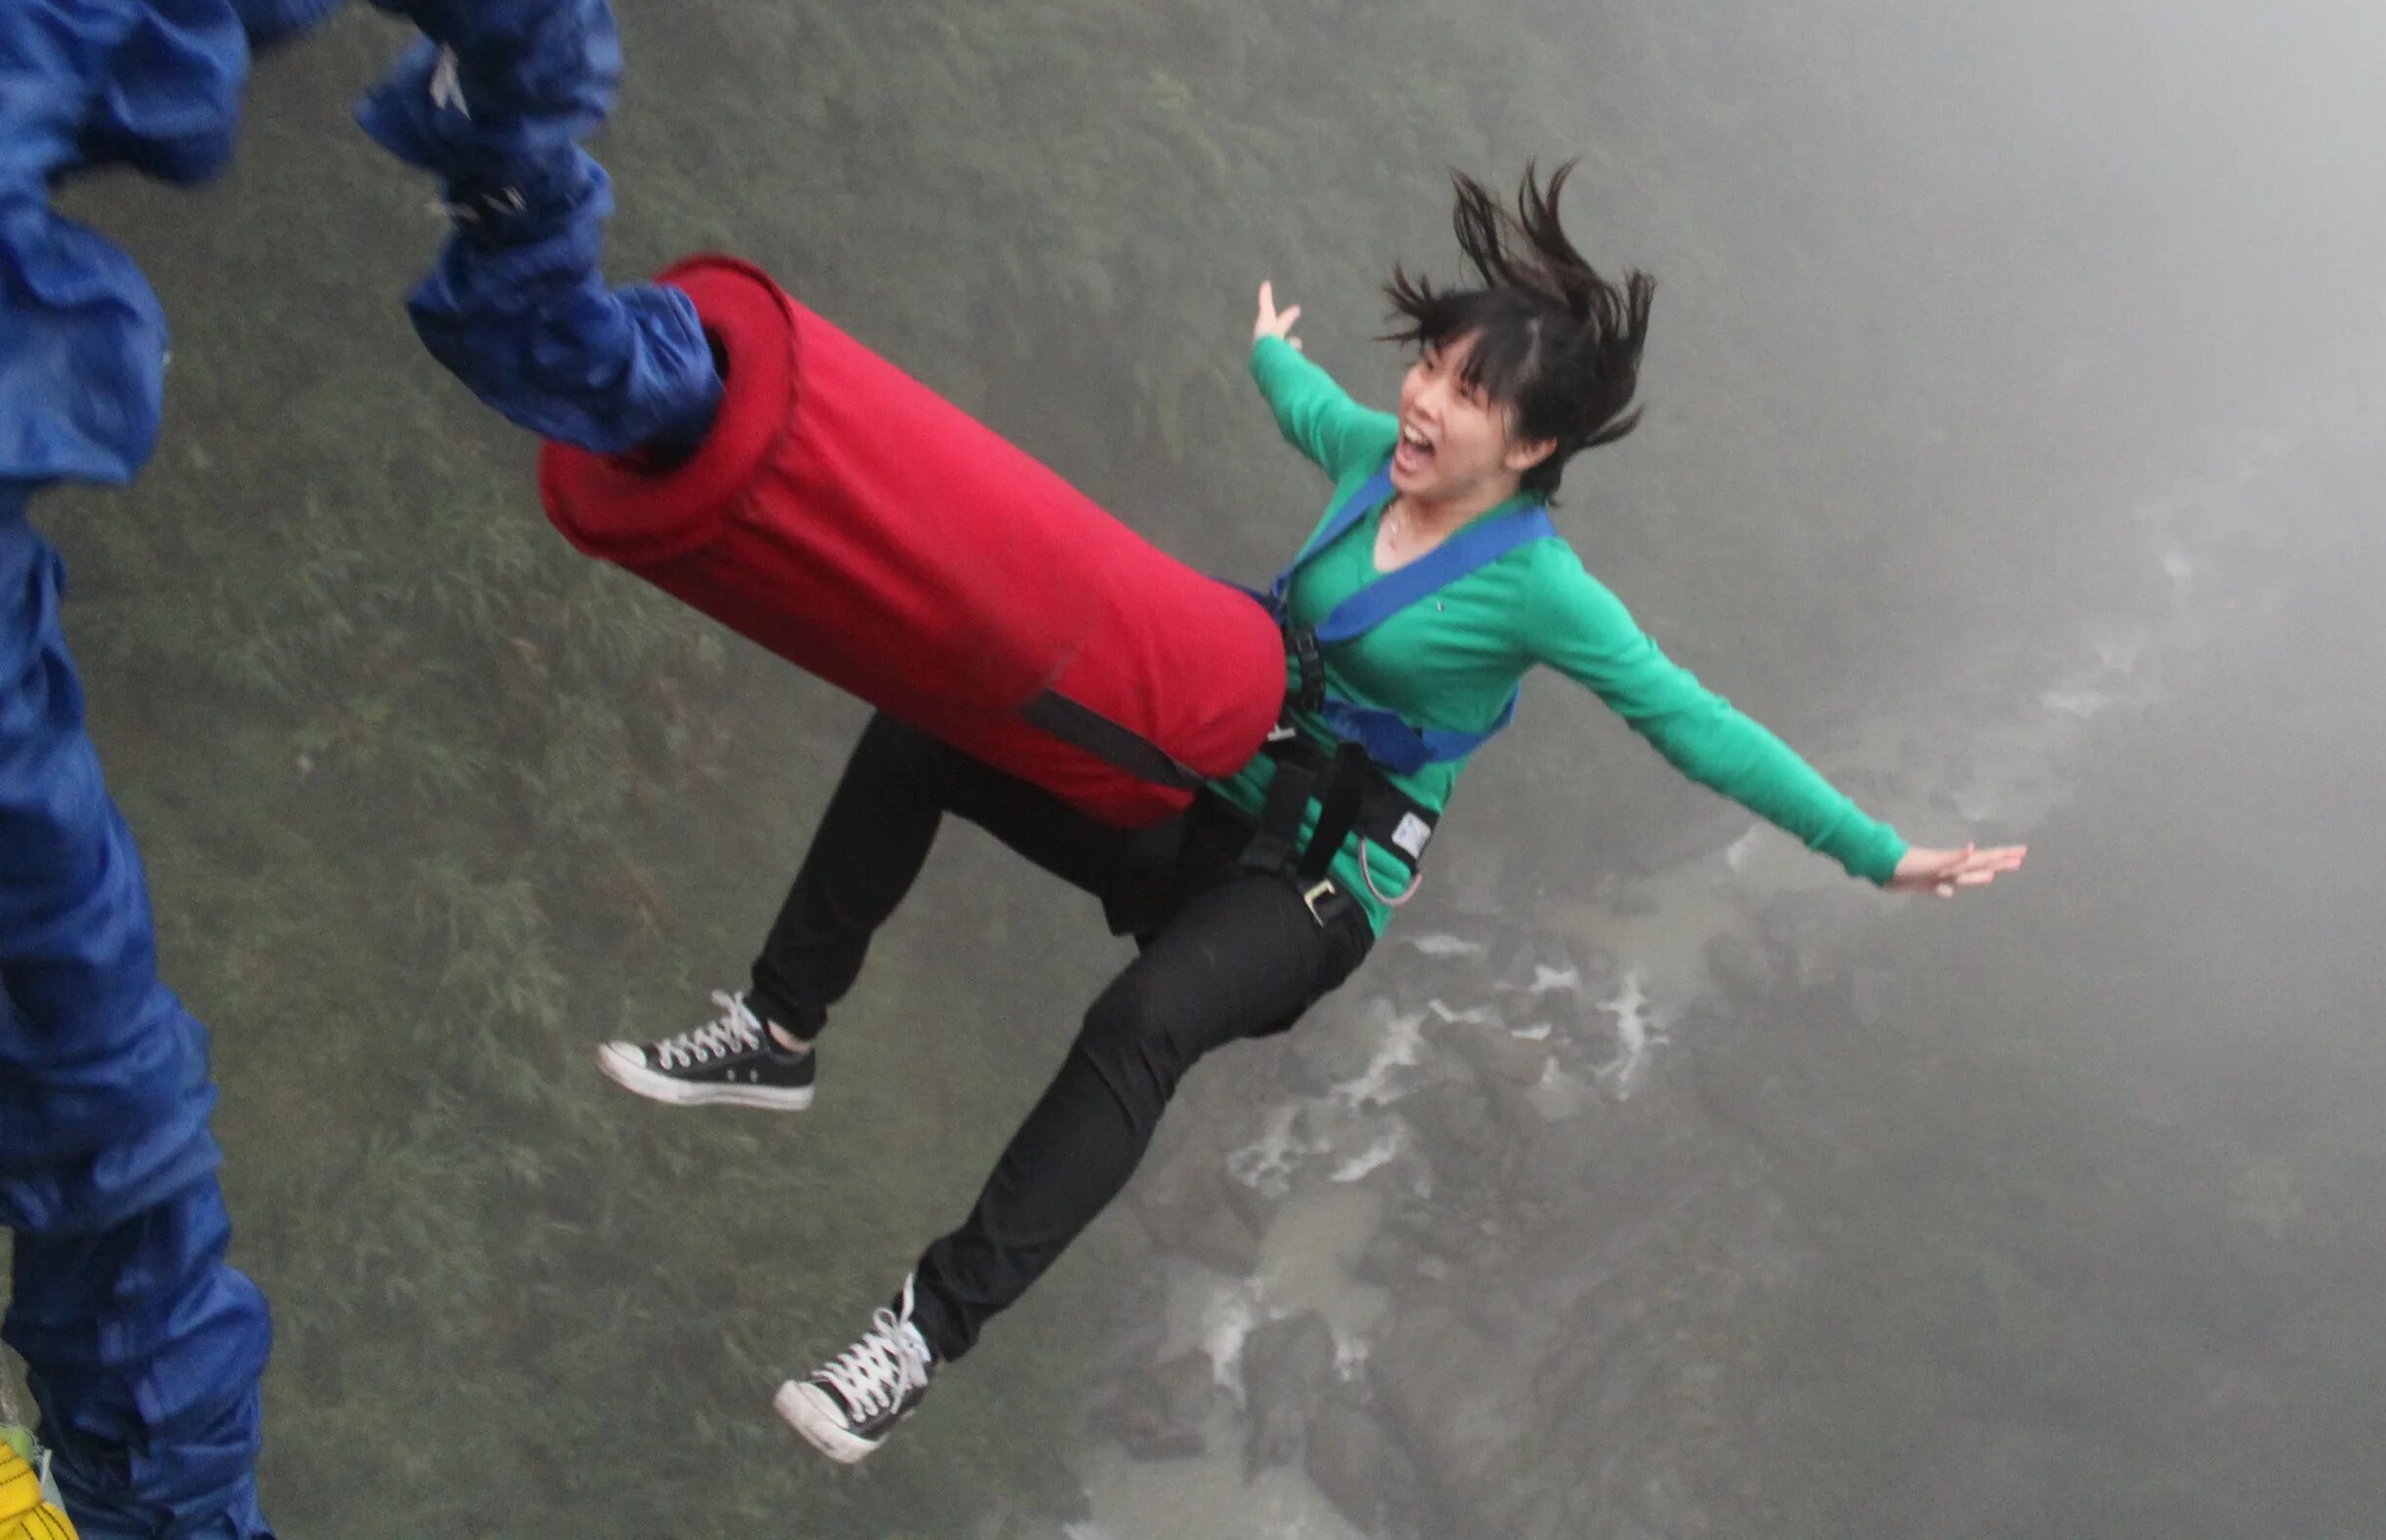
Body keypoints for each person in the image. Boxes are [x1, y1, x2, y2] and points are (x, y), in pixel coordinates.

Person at [592, 163, 2027, 1463]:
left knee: (1142, 1023)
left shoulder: (1538, 587)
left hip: (1315, 893)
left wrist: (1878, 852)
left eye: (1466, 394)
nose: (1421, 400)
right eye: (1430, 369)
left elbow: (1694, 724)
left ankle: (919, 1337)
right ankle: (778, 1031)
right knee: (930, 725)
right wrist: (1271, 347)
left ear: (1529, 449)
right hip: (1194, 801)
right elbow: (1302, 402)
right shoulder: (1366, 459)